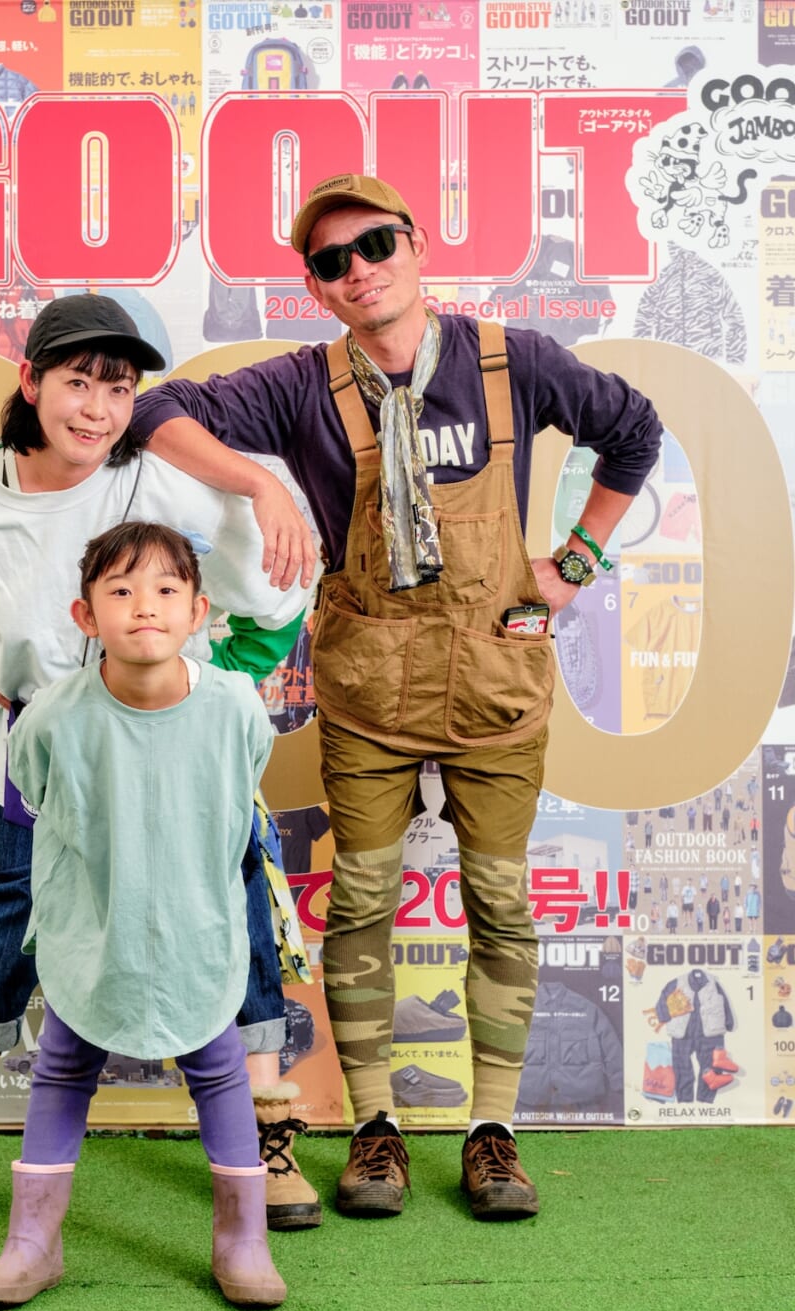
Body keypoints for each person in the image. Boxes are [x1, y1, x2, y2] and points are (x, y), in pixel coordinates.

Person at [131, 173, 662, 1220]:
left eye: (374, 244)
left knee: (501, 904)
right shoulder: (303, 385)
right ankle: (375, 1127)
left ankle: (491, 1132)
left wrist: (575, 561)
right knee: (362, 901)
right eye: (332, 261)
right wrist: (261, 481)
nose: (359, 270)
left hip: (496, 683)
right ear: (317, 288)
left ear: (416, 244)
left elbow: (634, 430)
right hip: (369, 690)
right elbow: (156, 411)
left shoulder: (510, 362)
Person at [0, 294, 319, 1236]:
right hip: (41, 762)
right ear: (29, 381)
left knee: (229, 904)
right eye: (79, 383)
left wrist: (203, 690)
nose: (99, 409)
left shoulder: (161, 482)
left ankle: (266, 1132)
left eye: (120, 388)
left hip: (172, 759)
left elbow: (276, 599)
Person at [0, 522, 286, 1308]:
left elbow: (241, 780)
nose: (145, 606)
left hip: (195, 926)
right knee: (62, 1064)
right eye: (121, 590)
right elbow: (35, 787)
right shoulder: (53, 716)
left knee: (220, 1067)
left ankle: (243, 1238)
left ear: (199, 612)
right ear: (85, 615)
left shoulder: (233, 707)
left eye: (166, 590)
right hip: (93, 925)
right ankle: (32, 1241)